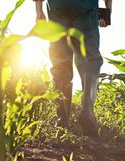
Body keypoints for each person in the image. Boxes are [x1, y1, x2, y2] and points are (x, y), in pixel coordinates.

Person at [34, 0, 112, 137]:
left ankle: (62, 119)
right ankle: (87, 111)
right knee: (90, 59)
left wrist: (38, 9)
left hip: (57, 5)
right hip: (84, 6)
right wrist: (107, 10)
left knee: (60, 61)